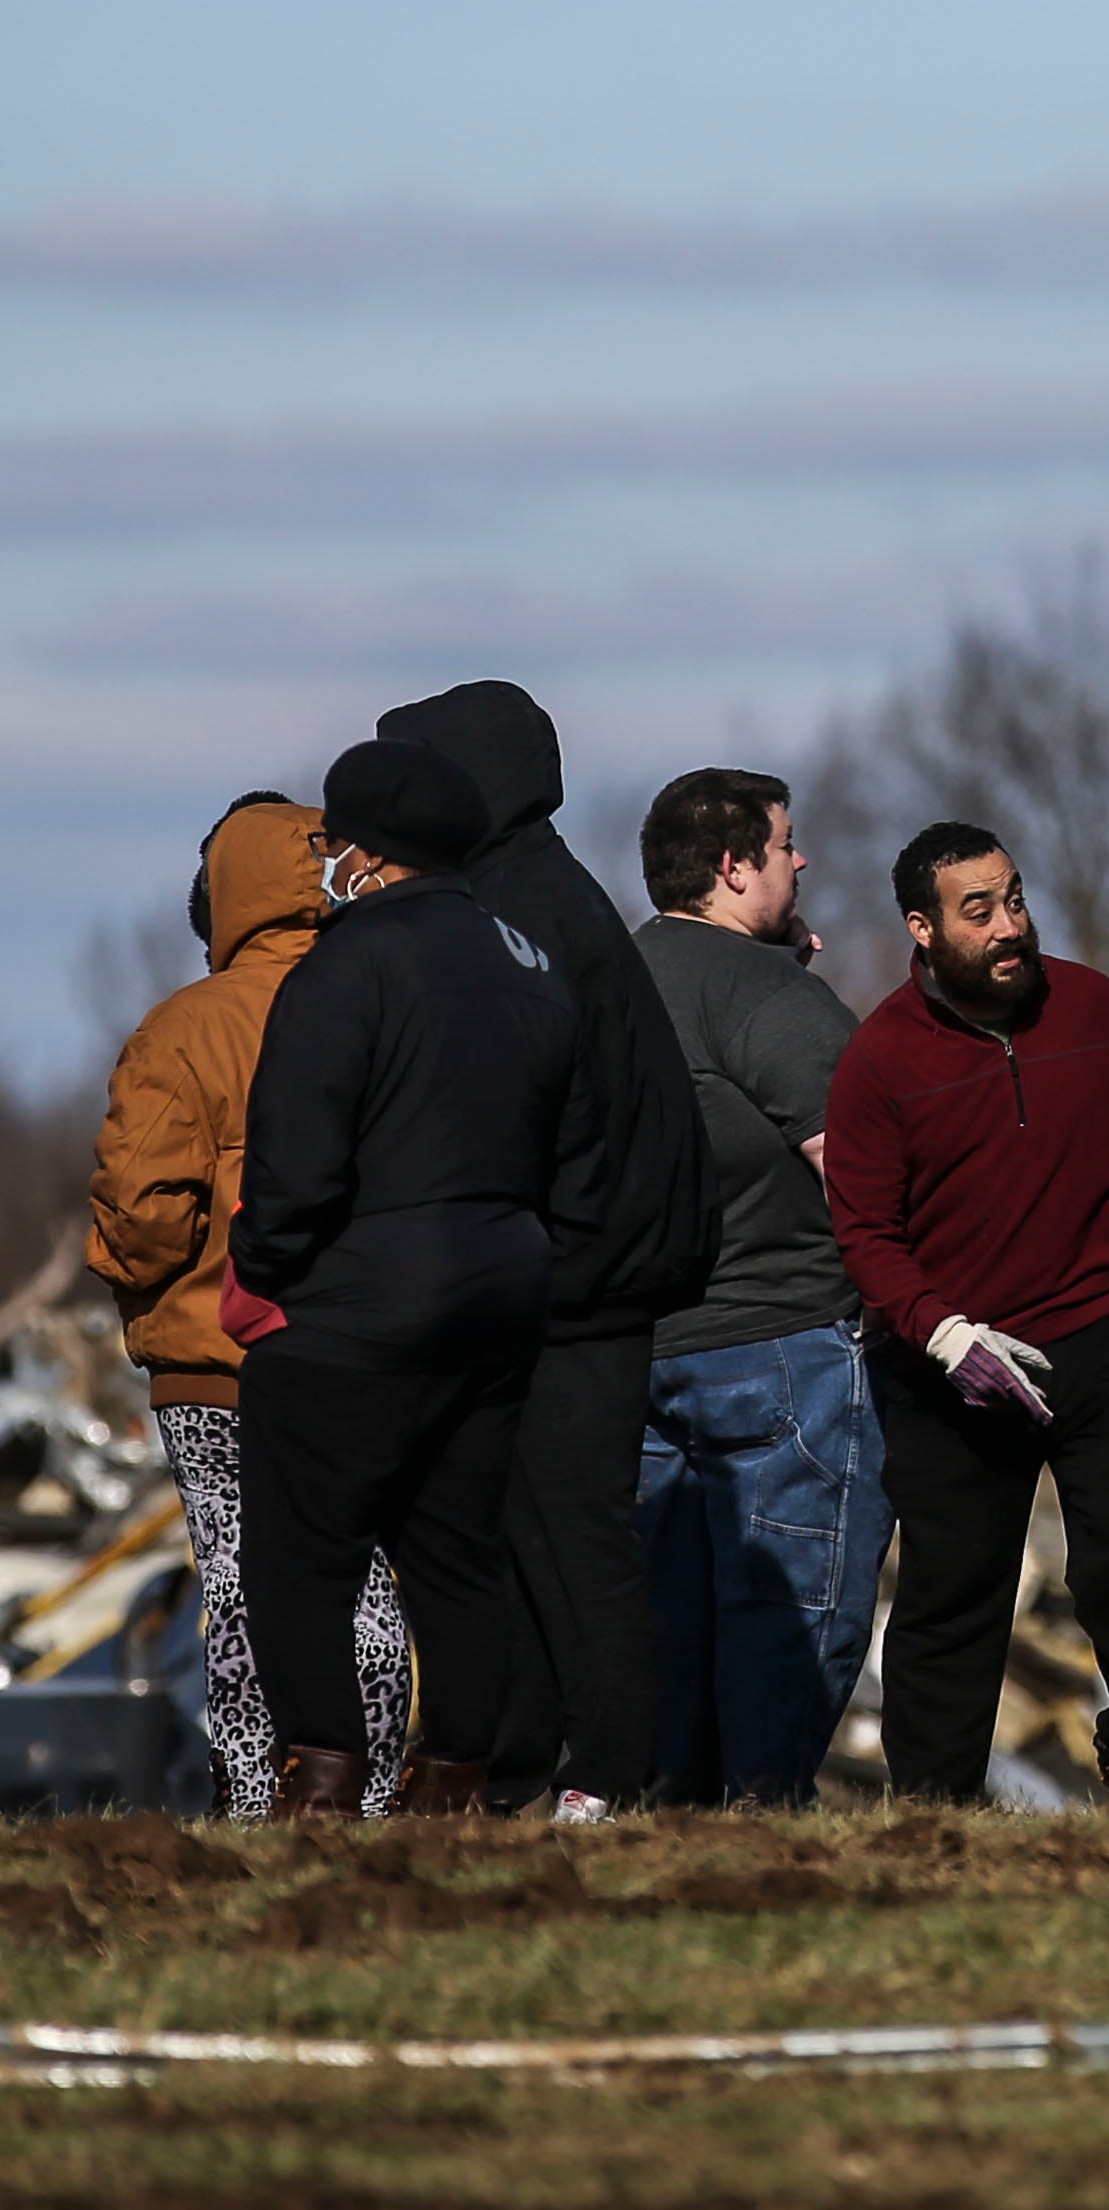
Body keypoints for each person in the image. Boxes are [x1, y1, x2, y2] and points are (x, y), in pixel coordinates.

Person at [232, 738, 617, 1818]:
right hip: (502, 1296)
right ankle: (451, 1782)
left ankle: (321, 1779)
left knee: (302, 1553)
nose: (325, 858)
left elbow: (297, 1152)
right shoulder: (529, 962)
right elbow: (581, 1157)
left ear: (368, 849)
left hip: (360, 1297)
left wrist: (266, 1262)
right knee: (456, 1549)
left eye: (330, 839)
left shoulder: (346, 961)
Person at [373, 680, 715, 1822]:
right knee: (520, 1533)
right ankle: (523, 1769)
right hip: (564, 1269)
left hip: (576, 1281)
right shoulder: (527, 890)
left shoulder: (521, 911)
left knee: (572, 1535)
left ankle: (607, 1772)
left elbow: (530, 1108)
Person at [826, 824, 1109, 1803]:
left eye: (1014, 898)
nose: (1010, 925)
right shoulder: (880, 1056)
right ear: (921, 927)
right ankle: (932, 1808)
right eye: (978, 909)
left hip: (1102, 1328)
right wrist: (941, 1329)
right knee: (953, 1595)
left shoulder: (1093, 1005)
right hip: (953, 1367)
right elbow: (865, 1231)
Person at [84, 793, 412, 1818]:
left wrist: (129, 1269)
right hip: (371, 1357)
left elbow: (141, 1214)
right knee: (368, 1590)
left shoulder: (184, 1028)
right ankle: (372, 1794)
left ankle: (258, 1800)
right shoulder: (389, 1001)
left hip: (213, 1362)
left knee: (239, 1585)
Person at [628, 766, 879, 1806]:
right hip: (783, 1344)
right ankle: (763, 1829)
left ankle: (673, 1823)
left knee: (667, 1628)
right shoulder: (767, 992)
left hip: (642, 1355)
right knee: (789, 1616)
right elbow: (863, 1170)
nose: (802, 858)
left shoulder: (617, 977)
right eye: (785, 843)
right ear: (734, 866)